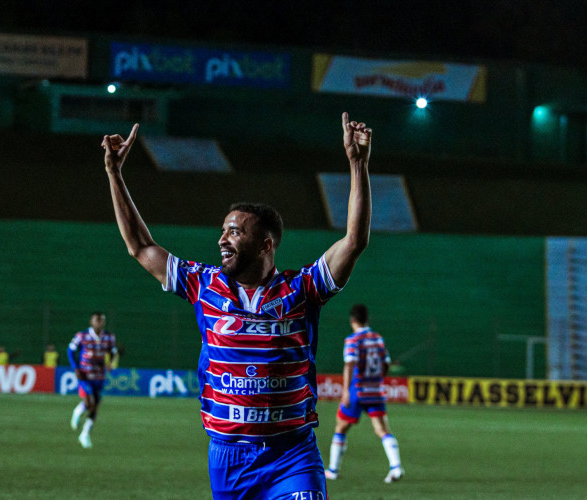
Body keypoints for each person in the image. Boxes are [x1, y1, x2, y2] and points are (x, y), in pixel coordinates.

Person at [102, 112, 371, 499]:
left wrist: (358, 165)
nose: (222, 240)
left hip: (292, 454)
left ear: (266, 245)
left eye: (234, 231)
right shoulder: (202, 284)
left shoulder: (303, 288)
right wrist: (115, 174)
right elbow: (141, 247)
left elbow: (354, 240)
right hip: (228, 459)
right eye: (223, 230)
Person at [324, 304, 403, 484]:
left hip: (357, 391)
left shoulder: (353, 340)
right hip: (376, 391)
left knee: (341, 427)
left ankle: (334, 470)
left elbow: (349, 364)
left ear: (352, 320)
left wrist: (345, 391)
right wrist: (377, 378)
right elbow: (386, 365)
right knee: (382, 429)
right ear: (367, 319)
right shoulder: (378, 339)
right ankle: (396, 467)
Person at [67, 311, 119, 449]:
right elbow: (70, 350)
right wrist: (75, 368)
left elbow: (113, 352)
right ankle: (78, 411)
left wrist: (110, 363)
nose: (100, 323)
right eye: (97, 320)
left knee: (95, 406)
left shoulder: (109, 337)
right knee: (90, 402)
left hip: (100, 375)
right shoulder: (82, 335)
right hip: (85, 375)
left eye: (102, 320)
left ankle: (84, 434)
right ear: (92, 322)